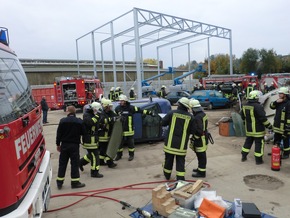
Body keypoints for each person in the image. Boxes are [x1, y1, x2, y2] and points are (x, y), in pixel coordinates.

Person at [161, 97, 194, 181]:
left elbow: (163, 123)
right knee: (180, 162)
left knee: (168, 160)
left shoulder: (171, 113)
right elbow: (193, 130)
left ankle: (167, 175)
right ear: (187, 107)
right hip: (181, 146)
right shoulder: (190, 117)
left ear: (179, 105)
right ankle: (180, 179)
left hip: (170, 144)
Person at [114, 94, 153, 161]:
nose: (120, 102)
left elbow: (140, 110)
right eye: (120, 101)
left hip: (129, 130)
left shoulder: (131, 108)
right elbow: (113, 117)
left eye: (121, 101)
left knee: (131, 144)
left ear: (125, 101)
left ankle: (131, 155)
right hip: (120, 130)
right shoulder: (117, 108)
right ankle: (119, 155)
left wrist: (150, 113)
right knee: (119, 144)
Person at [56, 106, 86, 189]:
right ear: (74, 112)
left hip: (64, 145)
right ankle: (75, 182)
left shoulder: (62, 121)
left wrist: (58, 144)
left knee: (62, 164)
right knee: (74, 164)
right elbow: (84, 133)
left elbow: (59, 134)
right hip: (74, 146)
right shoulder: (79, 121)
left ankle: (59, 182)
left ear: (68, 112)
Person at [240, 90, 273, 165]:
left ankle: (243, 156)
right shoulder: (258, 106)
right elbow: (263, 118)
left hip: (249, 130)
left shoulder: (245, 105)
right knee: (259, 144)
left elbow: (242, 116)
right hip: (258, 130)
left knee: (247, 143)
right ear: (256, 97)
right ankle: (258, 160)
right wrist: (270, 126)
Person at [79, 102, 104, 178]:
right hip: (89, 139)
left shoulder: (92, 115)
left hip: (93, 139)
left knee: (91, 155)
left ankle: (80, 162)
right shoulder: (86, 115)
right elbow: (90, 123)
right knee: (95, 156)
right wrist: (97, 116)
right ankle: (94, 172)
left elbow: (96, 124)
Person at [189, 99, 209, 178]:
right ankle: (200, 169)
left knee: (201, 156)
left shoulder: (197, 117)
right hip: (204, 137)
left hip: (200, 139)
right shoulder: (203, 114)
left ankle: (202, 173)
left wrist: (194, 138)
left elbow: (199, 130)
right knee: (200, 155)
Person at [270, 87, 290, 159]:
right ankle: (276, 151)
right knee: (276, 139)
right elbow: (271, 106)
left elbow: (289, 115)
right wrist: (276, 102)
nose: (279, 94)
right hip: (277, 125)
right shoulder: (279, 101)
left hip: (285, 126)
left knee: (286, 140)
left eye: (280, 93)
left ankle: (286, 154)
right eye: (279, 93)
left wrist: (288, 126)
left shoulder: (288, 103)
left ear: (285, 94)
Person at [99, 98, 118, 168]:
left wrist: (120, 117)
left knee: (103, 150)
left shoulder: (110, 112)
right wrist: (111, 119)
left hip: (108, 134)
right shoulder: (101, 113)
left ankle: (101, 161)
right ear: (106, 106)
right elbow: (102, 121)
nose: (111, 108)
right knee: (107, 149)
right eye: (109, 106)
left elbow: (115, 116)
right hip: (103, 135)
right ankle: (110, 163)